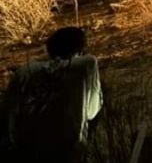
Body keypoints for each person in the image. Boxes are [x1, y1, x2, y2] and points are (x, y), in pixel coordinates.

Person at [3, 27, 102, 161]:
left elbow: (8, 113)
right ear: (80, 49)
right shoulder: (85, 65)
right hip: (66, 151)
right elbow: (92, 110)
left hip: (26, 151)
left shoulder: (24, 72)